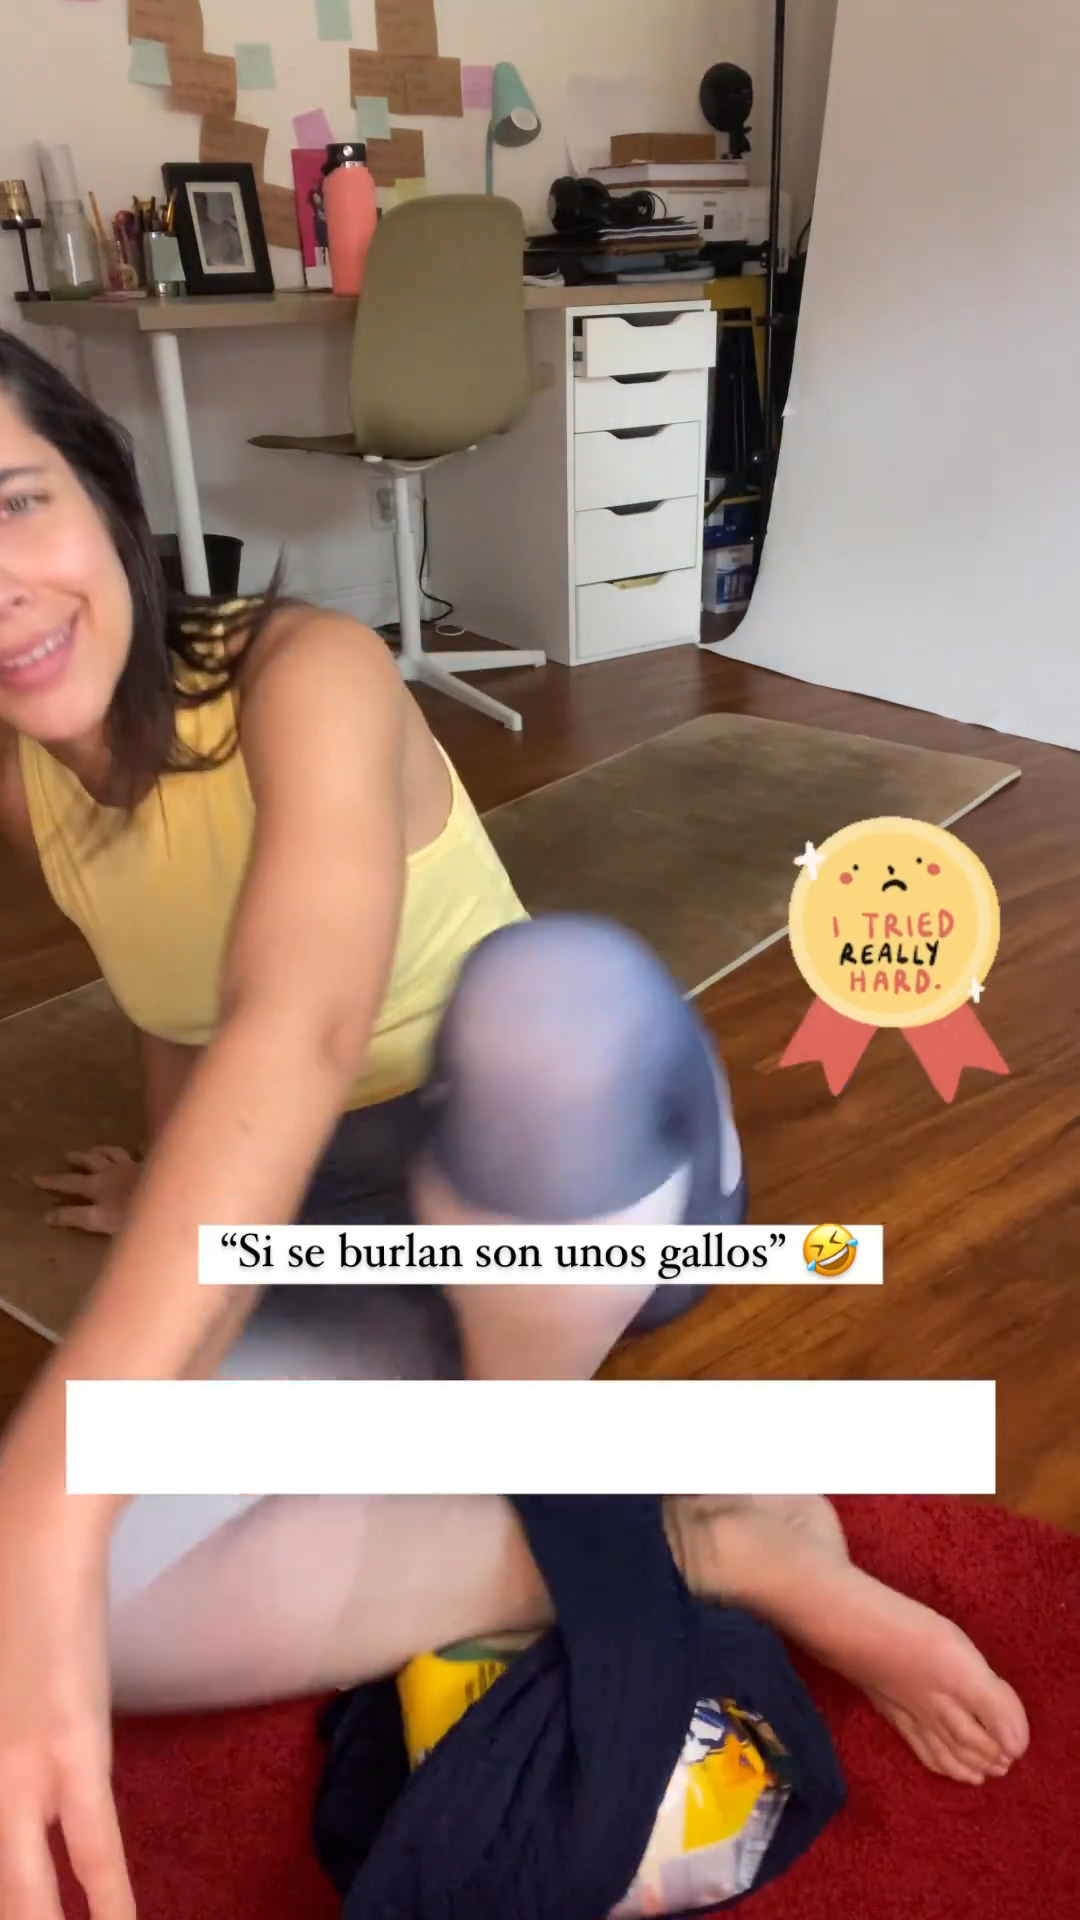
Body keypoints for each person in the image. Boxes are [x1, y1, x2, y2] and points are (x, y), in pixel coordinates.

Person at [0, 332, 1027, 1920]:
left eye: (15, 503)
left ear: (105, 496)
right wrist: (174, 1218)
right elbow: (178, 1001)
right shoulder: (34, 779)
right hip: (347, 1230)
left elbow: (297, 1021)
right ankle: (702, 1530)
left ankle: (523, 1434)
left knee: (552, 996)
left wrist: (52, 1480)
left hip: (563, 1173)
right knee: (93, 1614)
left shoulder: (305, 671)